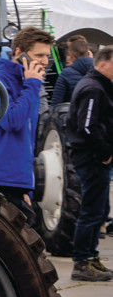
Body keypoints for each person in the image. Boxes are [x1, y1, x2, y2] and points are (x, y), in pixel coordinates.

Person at [0, 27, 52, 228]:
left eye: (47, 56)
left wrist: (28, 188)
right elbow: (11, 121)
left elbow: (28, 138)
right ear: (19, 52)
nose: (44, 61)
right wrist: (32, 84)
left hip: (18, 181)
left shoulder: (28, 84)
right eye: (39, 55)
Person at [65, 53, 113, 282]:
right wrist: (104, 152)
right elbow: (87, 126)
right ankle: (82, 261)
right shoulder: (94, 88)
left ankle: (90, 256)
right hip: (92, 158)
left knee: (99, 210)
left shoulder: (98, 87)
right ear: (102, 63)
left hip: (95, 158)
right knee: (92, 212)